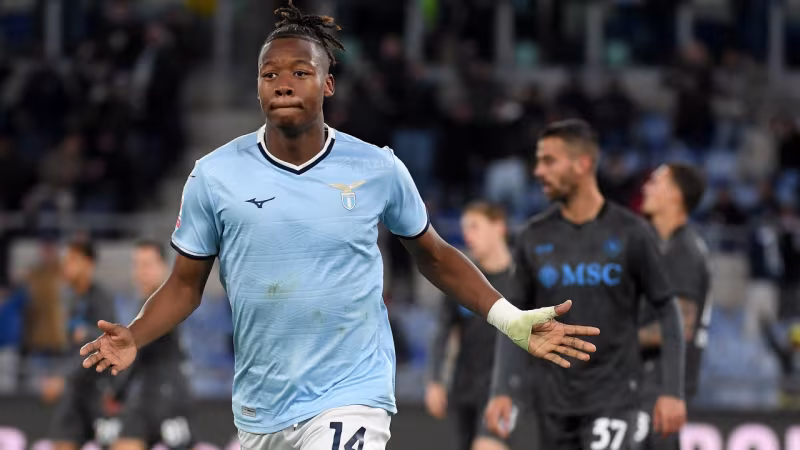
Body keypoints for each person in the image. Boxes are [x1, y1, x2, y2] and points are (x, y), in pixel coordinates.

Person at [79, 3, 600, 450]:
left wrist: (511, 319)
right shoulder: (214, 176)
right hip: (261, 406)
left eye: (300, 72)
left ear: (327, 83)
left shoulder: (377, 168)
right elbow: (184, 286)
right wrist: (134, 335)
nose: (283, 83)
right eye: (269, 74)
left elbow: (436, 256)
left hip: (353, 392)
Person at [485, 119, 687, 450]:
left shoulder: (631, 233)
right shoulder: (533, 236)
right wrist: (501, 390)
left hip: (616, 398)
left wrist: (672, 392)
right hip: (553, 402)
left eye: (549, 161)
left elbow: (669, 309)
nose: (538, 171)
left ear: (582, 164)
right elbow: (513, 319)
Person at [425, 202, 528, 450]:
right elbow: (443, 331)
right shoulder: (462, 279)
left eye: (474, 226)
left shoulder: (523, 280)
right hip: (466, 387)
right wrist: (435, 379)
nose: (467, 235)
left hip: (507, 389)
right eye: (464, 229)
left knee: (487, 446)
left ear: (499, 227)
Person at [639, 163, 711, 450]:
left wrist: (619, 339)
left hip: (659, 390)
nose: (646, 187)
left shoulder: (683, 251)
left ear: (676, 196)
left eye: (656, 182)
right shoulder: (661, 246)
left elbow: (680, 327)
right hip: (648, 387)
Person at [111, 240, 194, 450]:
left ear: (163, 268)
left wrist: (115, 391)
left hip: (169, 399)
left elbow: (133, 353)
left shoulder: (165, 302)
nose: (140, 272)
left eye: (147, 264)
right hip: (148, 396)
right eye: (137, 264)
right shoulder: (147, 304)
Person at [49, 240, 117, 450]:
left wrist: (64, 377)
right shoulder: (70, 300)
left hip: (99, 389)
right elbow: (70, 347)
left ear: (88, 264)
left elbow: (105, 343)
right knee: (62, 441)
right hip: (75, 391)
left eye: (73, 260)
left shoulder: (102, 299)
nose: (66, 265)